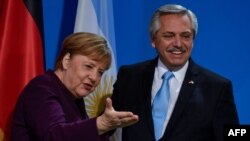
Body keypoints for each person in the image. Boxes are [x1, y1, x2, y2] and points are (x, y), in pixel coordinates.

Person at [111, 4, 239, 141]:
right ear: (153, 40)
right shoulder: (129, 77)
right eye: (169, 35)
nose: (178, 43)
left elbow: (234, 134)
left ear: (193, 41)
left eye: (185, 36)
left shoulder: (217, 87)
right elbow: (106, 125)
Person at [11, 32, 139, 141]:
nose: (94, 77)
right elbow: (54, 135)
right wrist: (101, 124)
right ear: (66, 61)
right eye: (88, 66)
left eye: (100, 72)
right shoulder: (42, 88)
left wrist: (107, 127)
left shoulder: (74, 99)